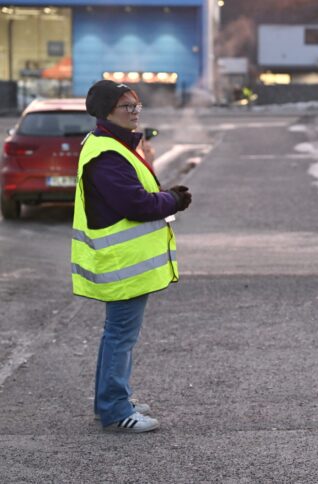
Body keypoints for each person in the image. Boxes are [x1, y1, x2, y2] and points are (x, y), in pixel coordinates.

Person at [71, 80, 192, 433]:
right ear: (107, 111)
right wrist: (173, 200)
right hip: (121, 264)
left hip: (124, 262)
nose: (135, 112)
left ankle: (111, 399)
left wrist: (167, 196)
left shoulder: (113, 145)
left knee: (118, 334)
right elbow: (134, 203)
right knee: (120, 336)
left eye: (137, 105)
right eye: (127, 107)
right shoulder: (107, 153)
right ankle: (114, 409)